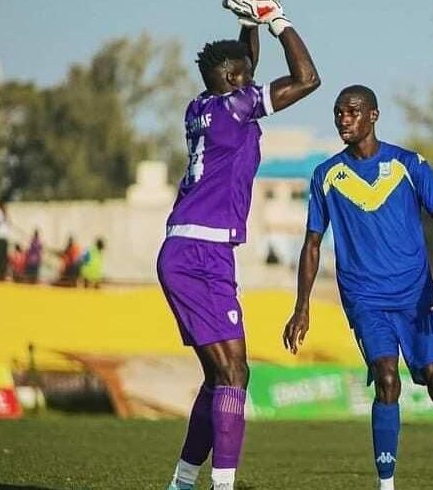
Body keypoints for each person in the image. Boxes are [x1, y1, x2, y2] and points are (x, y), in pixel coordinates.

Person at [282, 85, 433, 490]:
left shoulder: (408, 165)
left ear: (373, 116)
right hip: (365, 298)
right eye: (339, 112)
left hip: (416, 295)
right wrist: (301, 306)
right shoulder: (326, 175)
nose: (344, 119)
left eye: (353, 112)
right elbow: (312, 244)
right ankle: (386, 484)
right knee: (387, 377)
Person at [159, 1, 320, 488]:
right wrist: (276, 19)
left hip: (190, 249)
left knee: (222, 376)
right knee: (235, 375)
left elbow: (242, 67)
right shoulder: (235, 105)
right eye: (246, 76)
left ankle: (184, 482)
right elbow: (309, 78)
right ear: (233, 80)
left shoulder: (203, 106)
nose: (253, 80)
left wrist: (246, 24)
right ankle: (219, 486)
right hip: (200, 255)